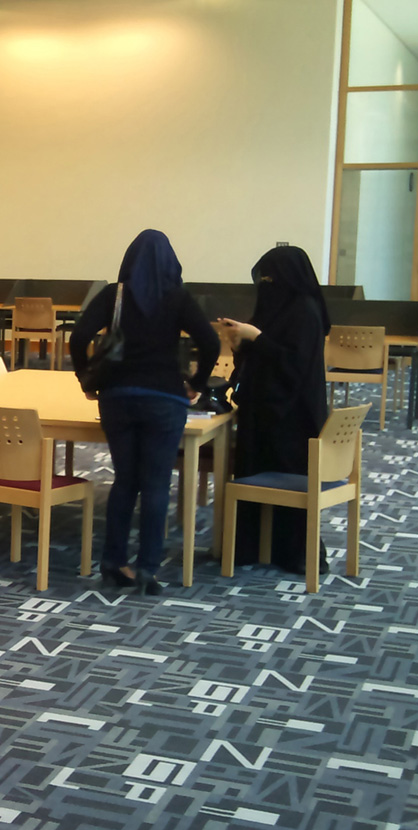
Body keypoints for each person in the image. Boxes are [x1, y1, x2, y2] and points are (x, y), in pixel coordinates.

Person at [71, 229, 220, 595]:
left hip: (117, 397)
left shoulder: (114, 295)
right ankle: (148, 569)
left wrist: (85, 378)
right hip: (164, 399)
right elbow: (210, 342)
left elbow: (78, 337)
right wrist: (197, 383)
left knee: (125, 480)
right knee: (155, 484)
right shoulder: (178, 297)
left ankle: (113, 562)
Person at [217, 245, 331, 575]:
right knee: (253, 472)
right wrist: (240, 345)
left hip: (295, 415)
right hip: (263, 410)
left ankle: (295, 553)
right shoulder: (275, 309)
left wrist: (257, 336)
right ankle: (251, 548)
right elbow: (259, 362)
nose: (267, 286)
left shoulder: (305, 312)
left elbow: (293, 365)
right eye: (263, 280)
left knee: (287, 480)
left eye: (271, 279)